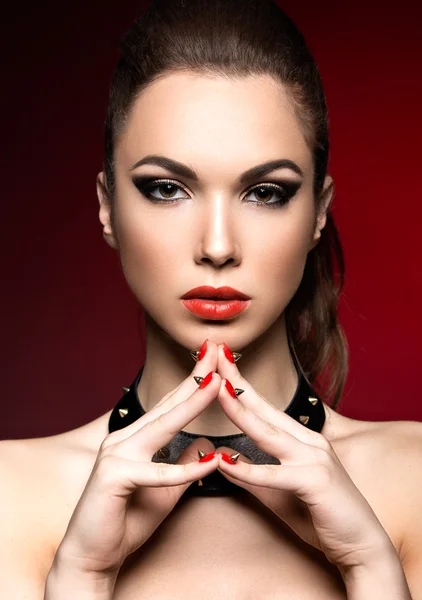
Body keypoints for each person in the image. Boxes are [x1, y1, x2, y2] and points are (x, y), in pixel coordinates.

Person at [1, 0, 421, 598]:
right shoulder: (9, 498)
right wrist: (81, 579)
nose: (218, 246)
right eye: (167, 189)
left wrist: (370, 567)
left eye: (266, 192)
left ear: (318, 212)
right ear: (107, 205)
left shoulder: (417, 481)